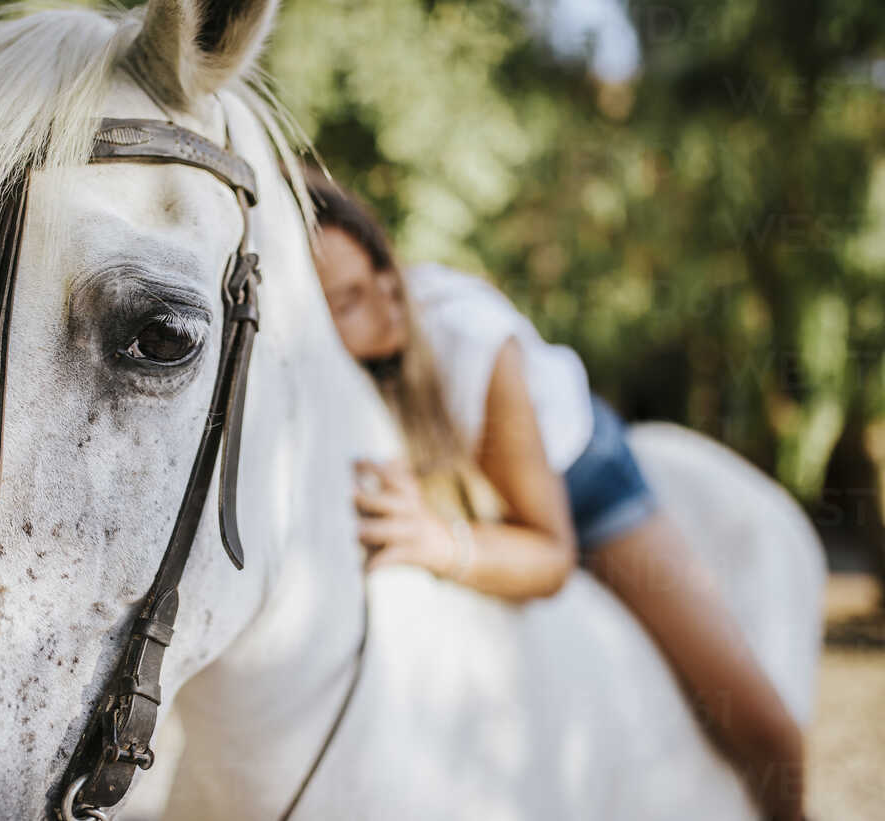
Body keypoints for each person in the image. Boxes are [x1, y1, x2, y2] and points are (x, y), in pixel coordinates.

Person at [306, 171, 807, 821]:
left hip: (581, 480)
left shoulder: (469, 340)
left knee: (759, 722)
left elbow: (549, 555)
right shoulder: (330, 373)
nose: (387, 299)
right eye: (347, 301)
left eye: (380, 266)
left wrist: (439, 540)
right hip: (476, 493)